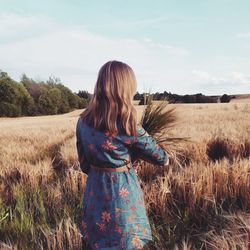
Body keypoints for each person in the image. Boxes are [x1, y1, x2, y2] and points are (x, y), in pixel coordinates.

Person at [76, 60, 169, 250]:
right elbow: (163, 158)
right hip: (123, 196)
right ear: (125, 88)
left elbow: (84, 165)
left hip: (94, 193)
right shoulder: (129, 124)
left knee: (97, 243)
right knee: (126, 242)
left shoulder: (82, 122)